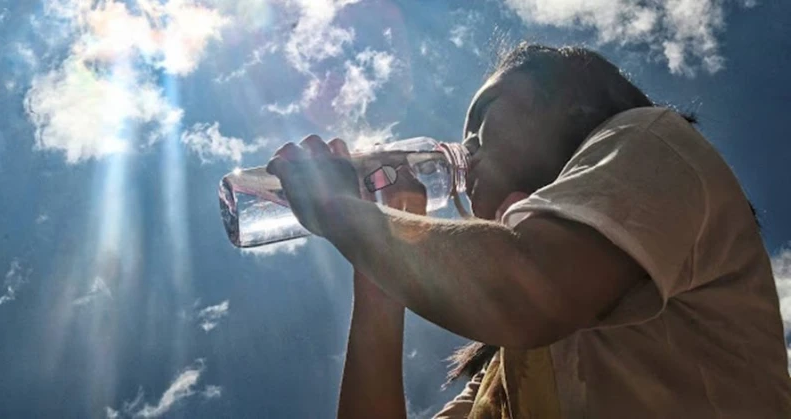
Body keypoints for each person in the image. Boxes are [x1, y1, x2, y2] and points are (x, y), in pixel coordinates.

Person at [265, 43, 791, 418]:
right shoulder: (505, 376)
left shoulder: (652, 141)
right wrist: (379, 271)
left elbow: (529, 287)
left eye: (482, 118)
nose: (465, 148)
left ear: (573, 105)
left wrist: (341, 215)